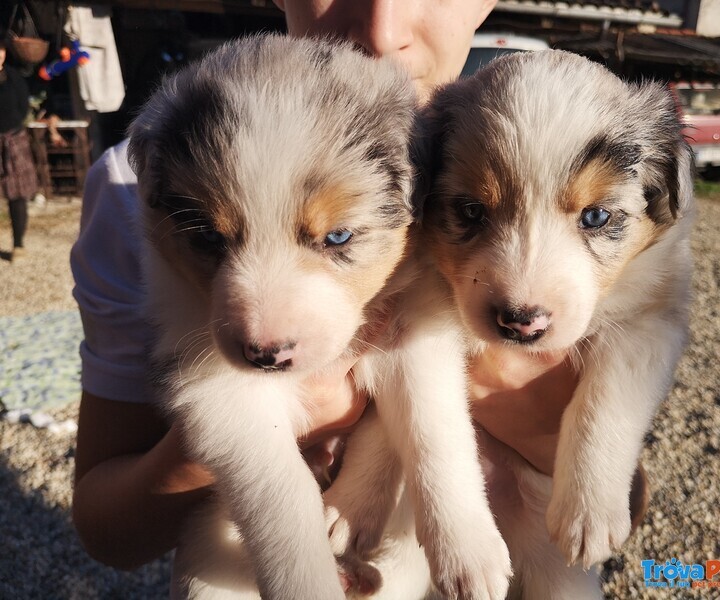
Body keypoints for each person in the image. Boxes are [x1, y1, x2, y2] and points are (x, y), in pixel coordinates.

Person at [71, 0, 627, 575]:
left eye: (337, 236)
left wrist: (551, 444)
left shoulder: (510, 155)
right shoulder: (131, 185)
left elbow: (618, 508)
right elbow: (105, 530)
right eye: (211, 241)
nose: (381, 30)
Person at [0, 37, 37, 261]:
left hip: (13, 140)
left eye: (1, 50)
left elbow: (23, 106)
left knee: (18, 193)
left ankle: (18, 244)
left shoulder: (13, 76)